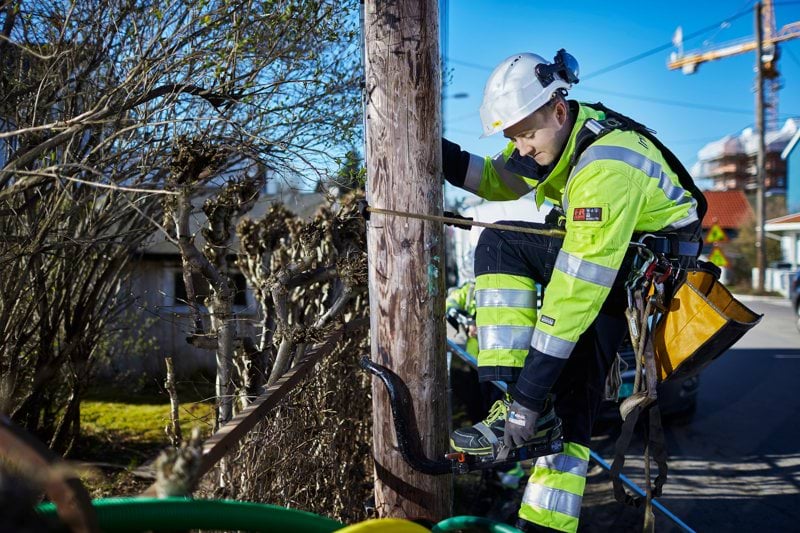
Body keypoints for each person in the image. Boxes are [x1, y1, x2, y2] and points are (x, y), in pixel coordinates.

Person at [441, 50, 705, 533]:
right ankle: (545, 522)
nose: (519, 147)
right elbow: (499, 179)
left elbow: (573, 296)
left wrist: (525, 396)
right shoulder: (559, 139)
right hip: (628, 270)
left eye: (524, 134)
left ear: (558, 111)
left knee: (500, 244)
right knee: (566, 411)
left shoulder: (606, 167)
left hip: (636, 275)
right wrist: (434, 153)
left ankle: (508, 400)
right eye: (511, 137)